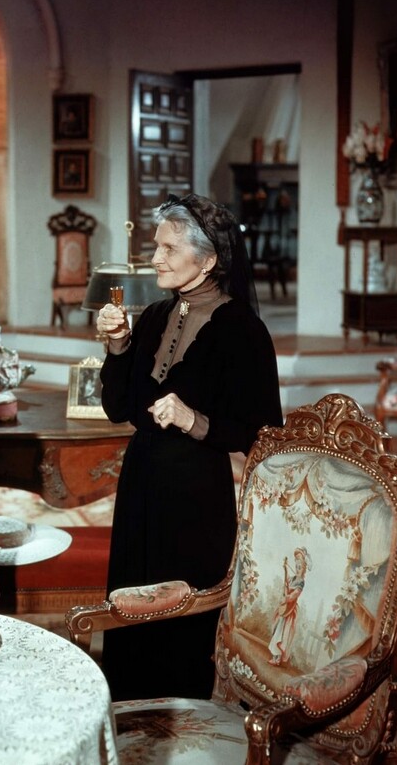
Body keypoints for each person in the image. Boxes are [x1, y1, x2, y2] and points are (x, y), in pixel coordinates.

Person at [96, 192, 282, 700]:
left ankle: (185, 728)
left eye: (168, 249)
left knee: (181, 625)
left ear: (208, 259)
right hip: (140, 487)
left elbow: (262, 433)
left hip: (197, 500)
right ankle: (129, 719)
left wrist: (193, 420)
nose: (155, 258)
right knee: (131, 609)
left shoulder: (244, 331)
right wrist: (117, 345)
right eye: (156, 246)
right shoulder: (154, 315)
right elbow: (118, 407)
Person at [268, 547, 311, 667]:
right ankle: (275, 656)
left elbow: (295, 594)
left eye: (300, 567)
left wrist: (287, 598)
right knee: (277, 630)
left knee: (283, 634)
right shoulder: (292, 579)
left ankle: (277, 659)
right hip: (284, 608)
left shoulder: (301, 582)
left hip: (289, 611)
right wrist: (285, 570)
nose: (297, 569)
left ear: (304, 569)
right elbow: (286, 585)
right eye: (296, 567)